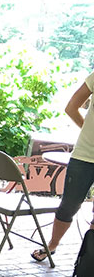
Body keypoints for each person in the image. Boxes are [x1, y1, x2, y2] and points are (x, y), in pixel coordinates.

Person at [31, 72, 94, 262]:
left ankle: (88, 259)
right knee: (69, 205)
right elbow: (71, 107)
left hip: (84, 155)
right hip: (84, 156)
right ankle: (52, 245)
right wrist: (87, 131)